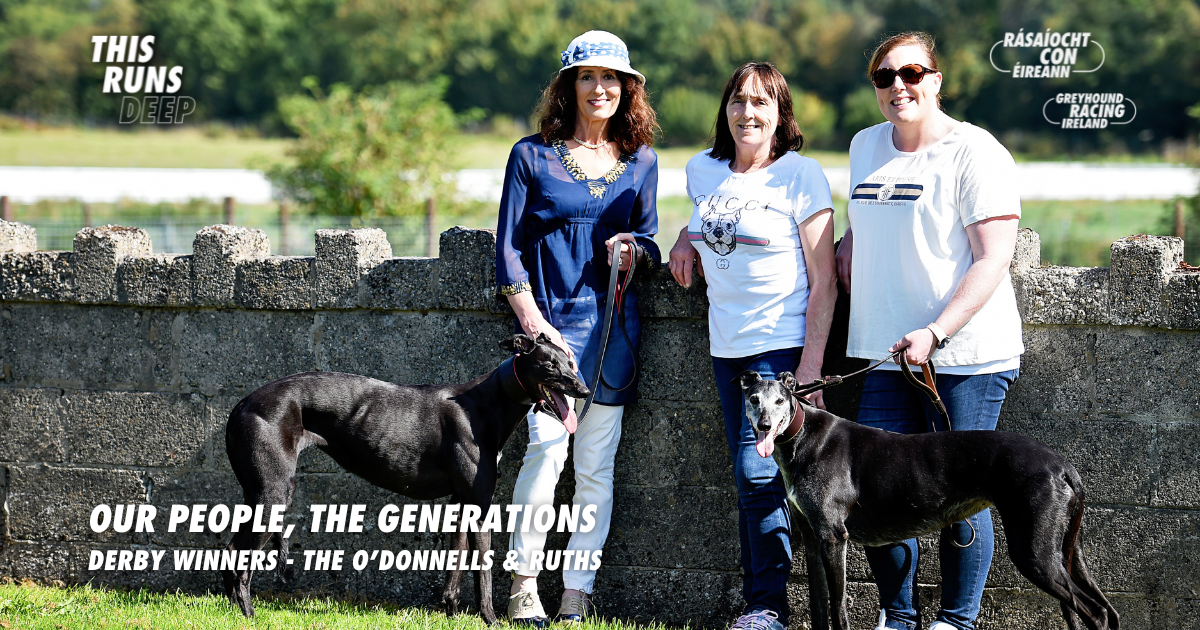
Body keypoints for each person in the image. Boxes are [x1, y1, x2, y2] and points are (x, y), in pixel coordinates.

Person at [835, 32, 1024, 630]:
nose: (899, 86)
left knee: (963, 493)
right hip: (882, 351)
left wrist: (936, 331)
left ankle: (955, 621)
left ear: (936, 80)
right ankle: (898, 617)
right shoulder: (865, 145)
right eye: (884, 76)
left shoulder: (976, 150)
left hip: (963, 354)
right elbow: (867, 223)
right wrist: (847, 244)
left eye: (912, 73)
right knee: (875, 492)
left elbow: (994, 258)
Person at [494, 30, 661, 627]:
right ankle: (523, 586)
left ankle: (576, 594)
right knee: (544, 454)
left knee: (596, 468)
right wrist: (534, 322)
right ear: (569, 86)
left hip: (613, 335)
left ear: (627, 89)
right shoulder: (530, 155)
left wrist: (634, 252)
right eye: (587, 76)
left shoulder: (641, 161)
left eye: (612, 78)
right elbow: (508, 250)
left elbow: (649, 239)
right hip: (549, 338)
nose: (600, 88)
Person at [668, 61, 837, 630]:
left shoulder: (800, 175)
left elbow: (824, 279)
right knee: (751, 478)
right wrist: (682, 240)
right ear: (726, 109)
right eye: (739, 100)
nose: (748, 112)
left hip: (781, 345)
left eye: (762, 102)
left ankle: (766, 607)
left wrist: (810, 364)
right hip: (726, 346)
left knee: (758, 470)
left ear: (780, 113)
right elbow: (709, 221)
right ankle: (772, 604)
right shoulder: (702, 169)